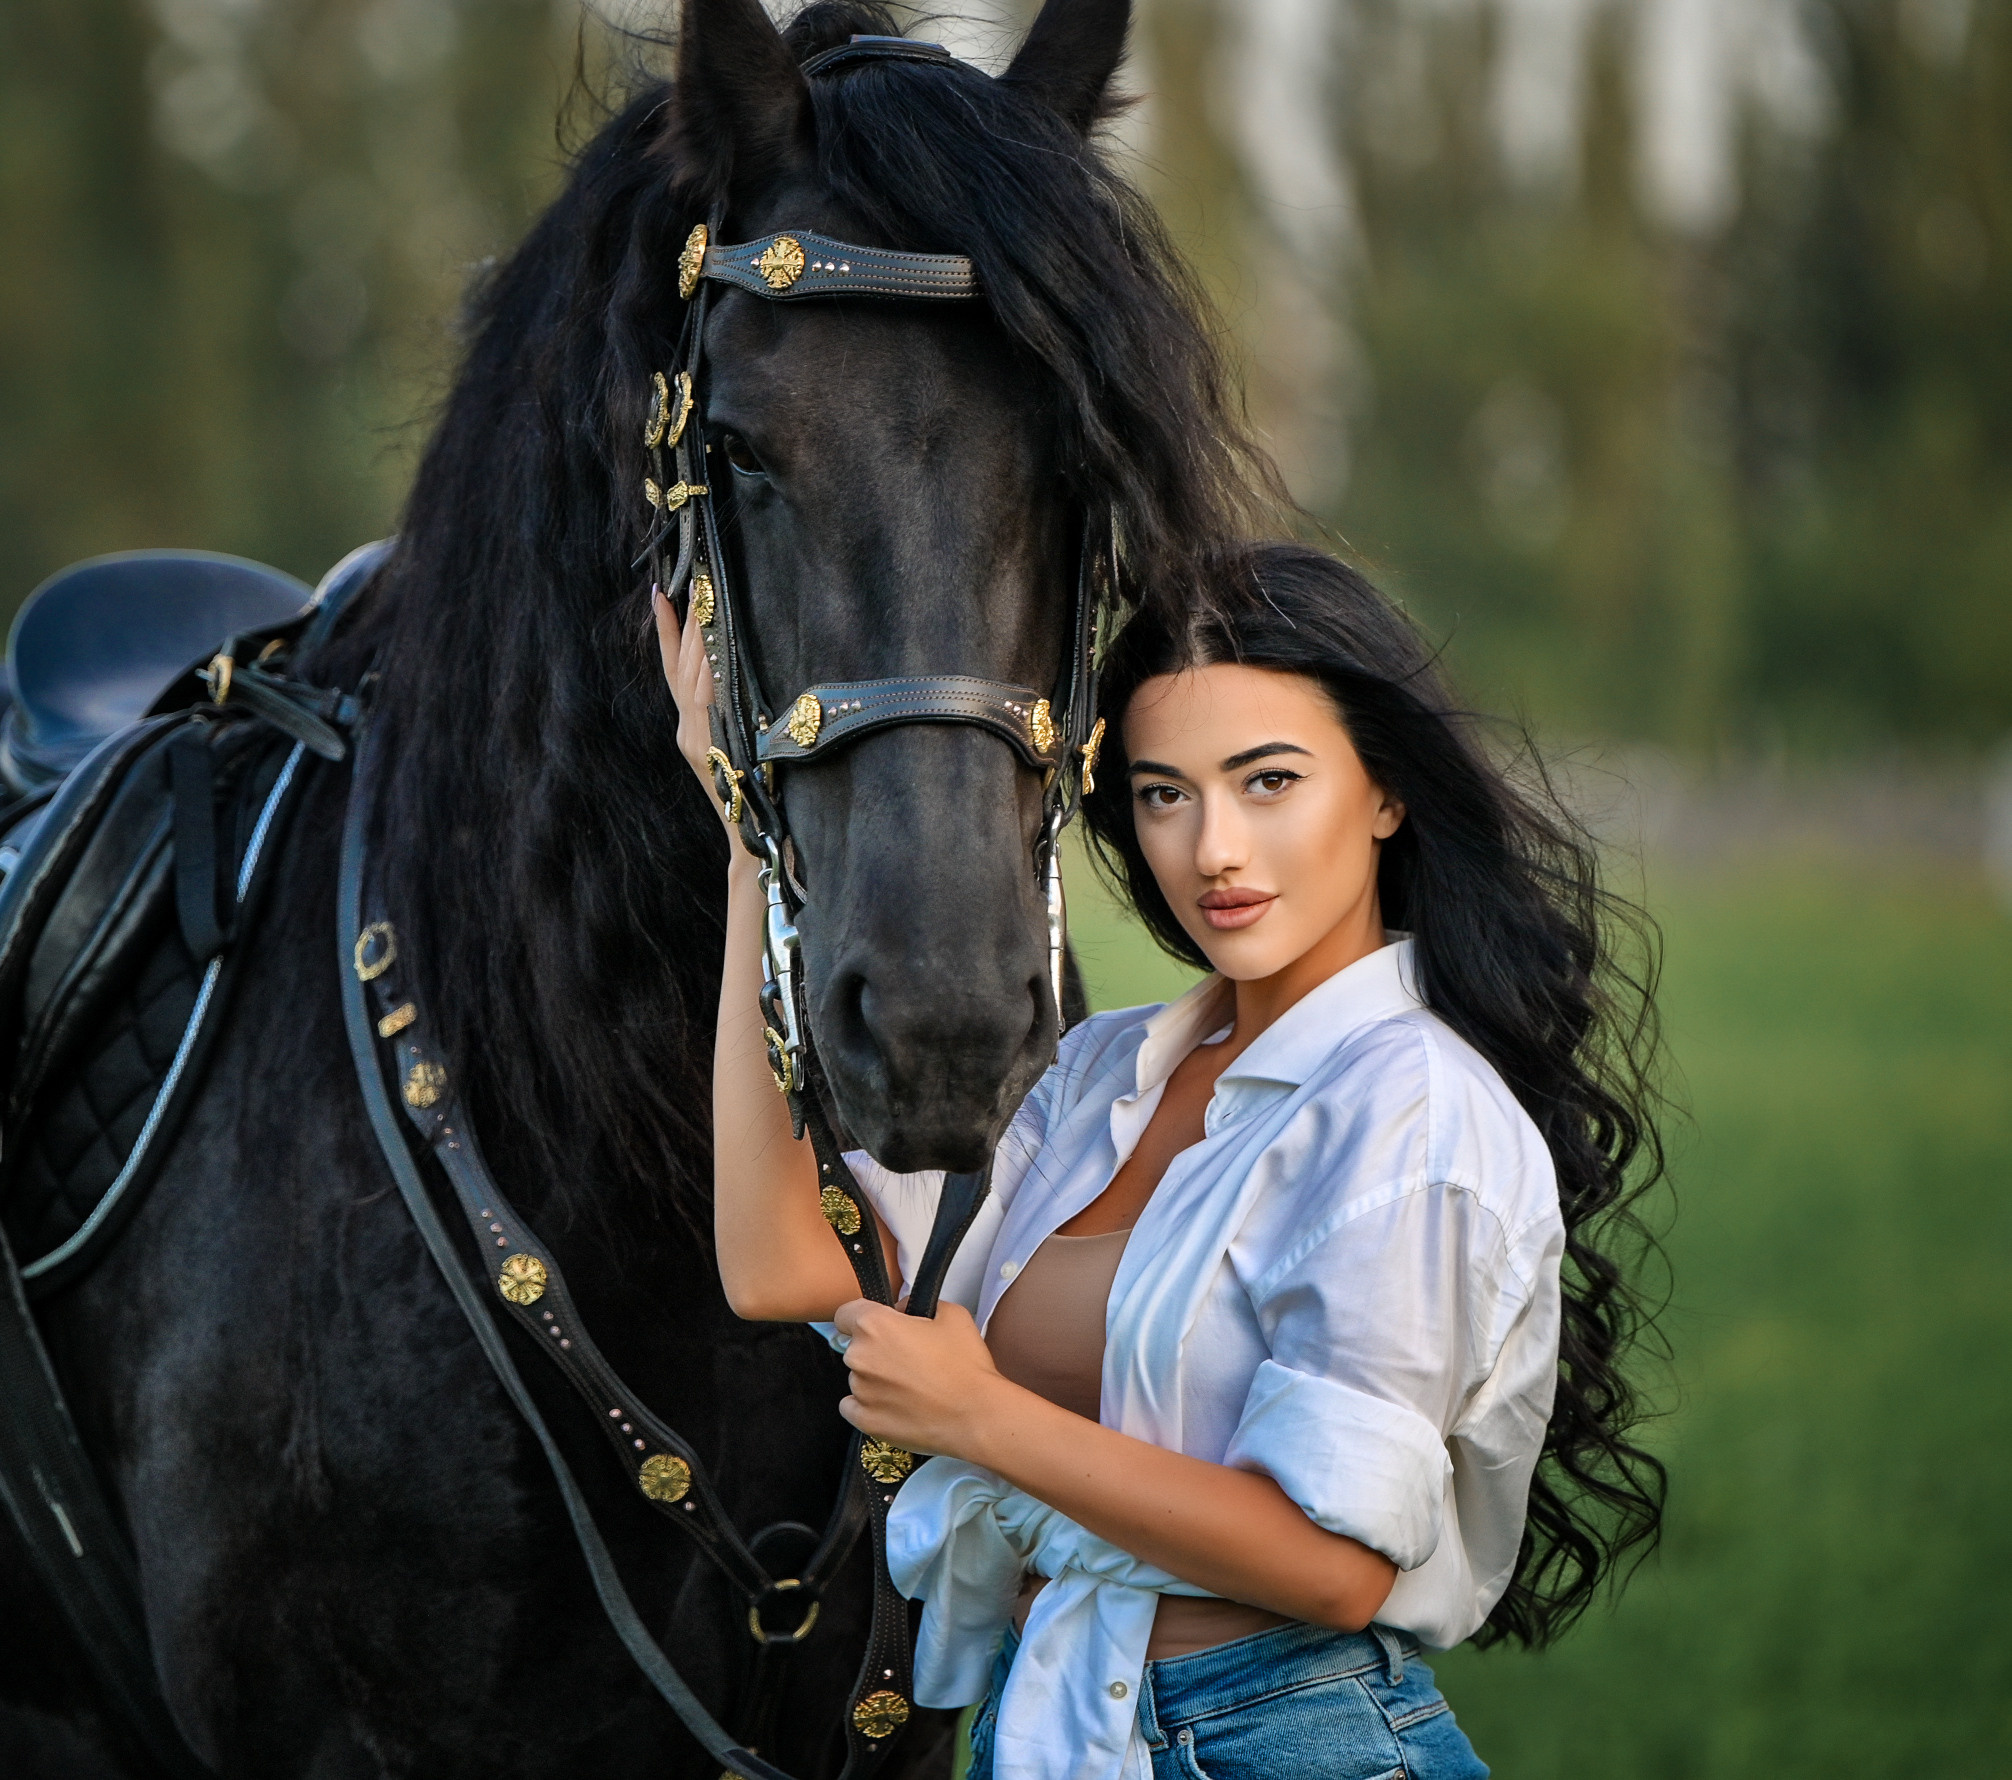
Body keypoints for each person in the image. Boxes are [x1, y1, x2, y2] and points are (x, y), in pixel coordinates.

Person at [655, 539, 1666, 1780]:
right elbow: (777, 1264)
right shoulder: (1100, 1076)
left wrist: (984, 1416)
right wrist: (746, 834)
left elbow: (1332, 1566)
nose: (1213, 850)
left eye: (1267, 781)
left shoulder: (1411, 1109)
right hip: (1060, 1724)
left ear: (1385, 792)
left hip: (1286, 1742)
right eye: (1162, 792)